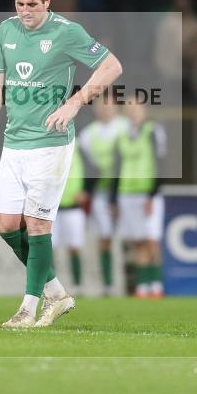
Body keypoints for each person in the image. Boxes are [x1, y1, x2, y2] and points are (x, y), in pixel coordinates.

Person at [0, 0, 123, 329]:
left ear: (47, 1)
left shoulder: (67, 32)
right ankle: (56, 292)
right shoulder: (6, 30)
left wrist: (74, 103)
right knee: (8, 227)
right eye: (20, 4)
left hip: (51, 143)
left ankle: (27, 309)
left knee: (37, 225)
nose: (25, 11)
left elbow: (112, 66)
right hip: (14, 142)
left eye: (33, 5)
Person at [110, 97, 167, 298]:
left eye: (136, 109)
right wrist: (113, 199)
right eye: (129, 109)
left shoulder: (153, 131)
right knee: (137, 240)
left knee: (151, 239)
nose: (133, 112)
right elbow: (117, 168)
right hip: (127, 194)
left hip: (147, 194)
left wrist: (153, 194)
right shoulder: (121, 136)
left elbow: (161, 163)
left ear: (144, 111)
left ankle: (156, 285)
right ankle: (143, 286)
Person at [78, 95, 128, 296]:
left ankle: (140, 284)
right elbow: (86, 167)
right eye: (101, 105)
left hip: (127, 189)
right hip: (101, 192)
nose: (106, 108)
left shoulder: (126, 128)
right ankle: (108, 284)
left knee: (134, 237)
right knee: (105, 236)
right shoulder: (88, 134)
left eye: (109, 105)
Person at [51, 146, 89, 294]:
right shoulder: (47, 145)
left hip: (73, 208)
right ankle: (52, 287)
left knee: (74, 247)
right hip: (52, 208)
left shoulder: (79, 147)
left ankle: (77, 285)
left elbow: (95, 169)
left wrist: (87, 191)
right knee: (49, 249)